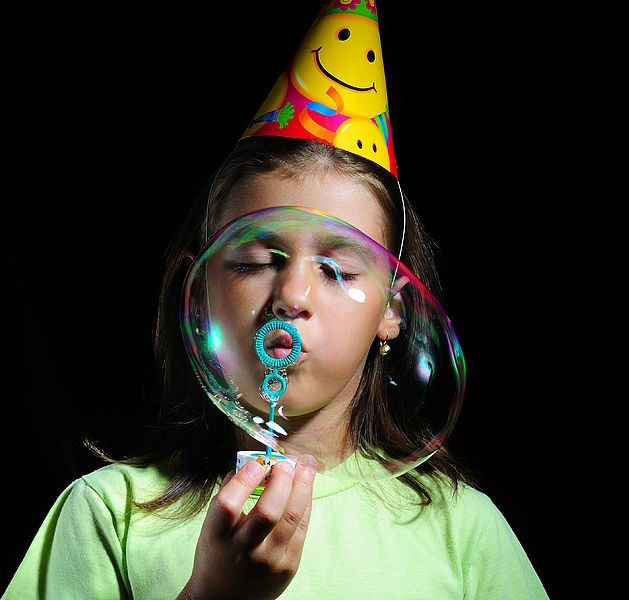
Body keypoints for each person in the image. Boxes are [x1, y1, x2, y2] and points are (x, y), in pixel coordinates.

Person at [4, 3, 550, 599]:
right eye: (256, 262)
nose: (291, 295)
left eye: (338, 270)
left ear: (392, 311)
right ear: (200, 293)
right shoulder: (110, 514)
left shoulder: (462, 531)